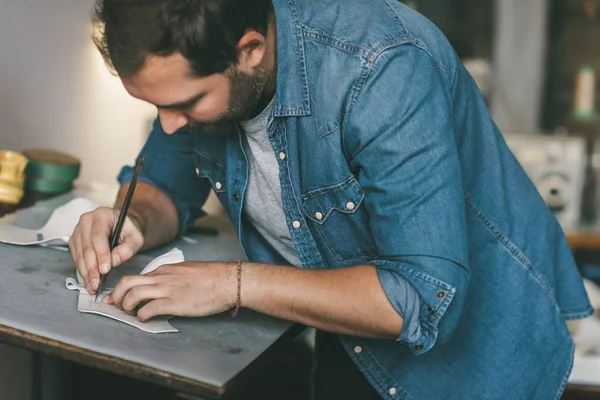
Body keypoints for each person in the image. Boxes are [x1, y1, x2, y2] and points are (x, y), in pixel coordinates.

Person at [69, 0, 593, 398]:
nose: (168, 124)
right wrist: (131, 218)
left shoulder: (382, 68)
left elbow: (413, 298)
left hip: (474, 357)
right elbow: (164, 186)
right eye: (155, 105)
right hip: (347, 330)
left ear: (250, 51)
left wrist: (232, 283)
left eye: (185, 103)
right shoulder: (198, 64)